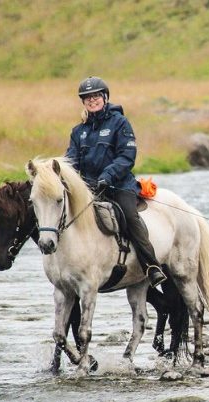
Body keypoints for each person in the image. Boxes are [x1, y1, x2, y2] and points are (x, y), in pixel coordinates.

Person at [65, 76, 167, 287]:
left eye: (95, 96)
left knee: (130, 216)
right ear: (83, 102)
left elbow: (126, 156)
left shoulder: (119, 123)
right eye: (87, 98)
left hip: (119, 185)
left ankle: (151, 265)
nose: (92, 100)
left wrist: (107, 176)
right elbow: (71, 161)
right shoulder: (78, 131)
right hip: (89, 188)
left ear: (104, 97)